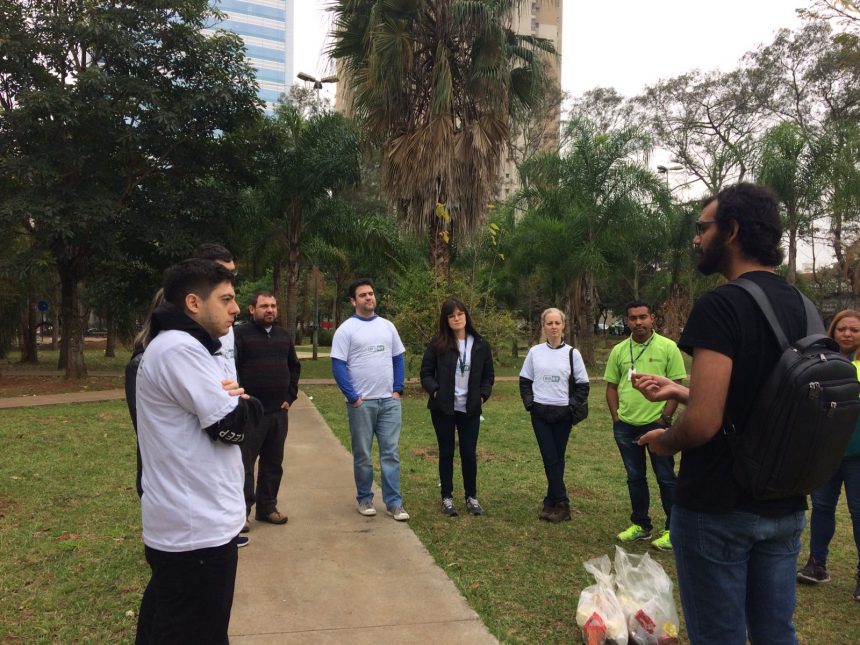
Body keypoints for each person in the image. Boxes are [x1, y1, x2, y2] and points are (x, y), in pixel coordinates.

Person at [632, 183, 809, 643]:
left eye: (702, 228)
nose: (696, 239)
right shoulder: (804, 308)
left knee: (718, 636)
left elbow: (707, 421)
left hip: (718, 505)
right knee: (775, 633)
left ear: (730, 231)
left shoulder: (722, 304)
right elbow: (764, 398)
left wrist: (664, 440)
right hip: (784, 502)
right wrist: (683, 390)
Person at [135, 259, 263, 644]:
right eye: (225, 299)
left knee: (166, 626)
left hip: (193, 527)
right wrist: (249, 404)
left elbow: (226, 415)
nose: (235, 309)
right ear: (193, 303)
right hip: (196, 532)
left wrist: (238, 401)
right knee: (197, 632)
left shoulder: (186, 347)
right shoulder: (180, 350)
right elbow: (232, 424)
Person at [604, 300, 686, 550]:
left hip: (656, 425)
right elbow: (611, 387)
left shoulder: (668, 347)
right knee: (635, 477)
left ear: (652, 318)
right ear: (626, 321)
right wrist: (617, 418)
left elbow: (676, 386)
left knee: (666, 478)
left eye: (642, 317)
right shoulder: (619, 350)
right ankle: (641, 525)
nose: (638, 322)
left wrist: (665, 419)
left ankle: (674, 530)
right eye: (632, 318)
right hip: (626, 425)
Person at [331, 279, 409, 520]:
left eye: (371, 293)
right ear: (353, 301)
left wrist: (397, 390)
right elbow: (338, 365)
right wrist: (353, 397)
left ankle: (394, 503)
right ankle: (365, 499)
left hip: (389, 402)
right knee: (363, 454)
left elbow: (398, 358)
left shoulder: (387, 326)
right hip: (362, 405)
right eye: (363, 295)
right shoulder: (346, 329)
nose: (369, 298)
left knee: (390, 453)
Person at [796, 309, 860, 600]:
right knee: (821, 508)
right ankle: (817, 564)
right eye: (842, 329)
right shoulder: (822, 362)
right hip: (826, 452)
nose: (847, 334)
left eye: (854, 330)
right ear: (832, 332)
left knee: (858, 513)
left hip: (857, 454)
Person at [420, 298, 495, 516]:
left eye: (460, 314)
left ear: (466, 316)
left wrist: (482, 396)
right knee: (446, 452)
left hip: (470, 408)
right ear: (446, 320)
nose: (457, 318)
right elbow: (426, 373)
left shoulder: (480, 344)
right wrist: (436, 392)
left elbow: (488, 376)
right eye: (452, 315)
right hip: (443, 408)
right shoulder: (438, 344)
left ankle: (471, 496)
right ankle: (447, 497)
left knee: (469, 454)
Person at [234, 291, 301, 530]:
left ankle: (267, 508)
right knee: (244, 464)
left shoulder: (283, 336)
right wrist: (242, 397)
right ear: (252, 309)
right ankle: (242, 513)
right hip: (251, 413)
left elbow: (294, 367)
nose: (270, 310)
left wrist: (290, 396)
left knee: (273, 463)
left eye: (273, 306)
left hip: (278, 413)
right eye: (264, 306)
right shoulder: (239, 335)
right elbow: (232, 368)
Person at [519, 308, 590, 523]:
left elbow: (583, 385)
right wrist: (530, 404)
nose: (553, 327)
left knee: (556, 458)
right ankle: (559, 501)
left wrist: (570, 406)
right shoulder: (534, 352)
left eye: (557, 323)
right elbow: (525, 381)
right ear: (543, 327)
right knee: (550, 457)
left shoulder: (572, 354)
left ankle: (555, 502)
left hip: (563, 414)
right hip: (540, 413)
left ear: (563, 326)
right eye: (549, 323)